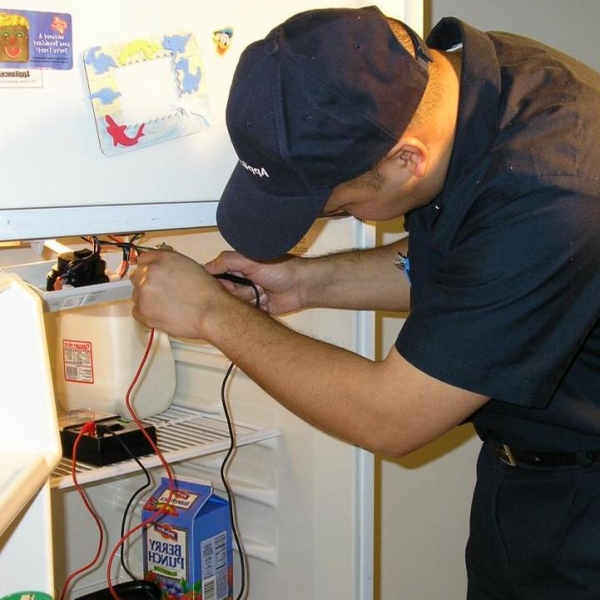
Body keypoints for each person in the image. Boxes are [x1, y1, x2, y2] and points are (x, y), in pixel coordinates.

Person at [130, 6, 600, 599]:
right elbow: (467, 266)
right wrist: (303, 282)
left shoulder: (553, 194)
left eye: (342, 207)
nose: (337, 215)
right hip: (527, 480)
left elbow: (392, 417)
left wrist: (212, 315)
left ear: (407, 159)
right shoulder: (468, 86)